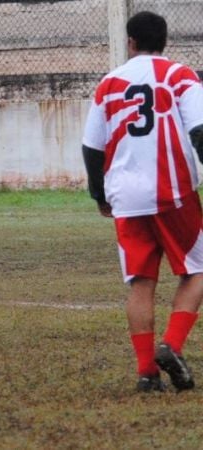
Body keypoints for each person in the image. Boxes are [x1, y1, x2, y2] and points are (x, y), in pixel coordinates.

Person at [82, 11, 203, 392]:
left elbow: (92, 147)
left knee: (141, 282)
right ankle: (172, 344)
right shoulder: (180, 76)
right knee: (198, 270)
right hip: (173, 191)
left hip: (126, 196)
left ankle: (147, 373)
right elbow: (200, 130)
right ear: (165, 42)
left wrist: (99, 194)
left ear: (130, 42)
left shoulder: (108, 84)